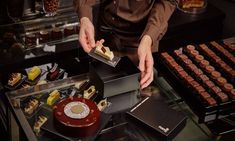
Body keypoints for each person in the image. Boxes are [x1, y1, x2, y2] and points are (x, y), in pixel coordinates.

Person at [74, 0, 178, 89]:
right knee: (100, 90)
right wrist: (85, 18)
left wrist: (148, 38)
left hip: (140, 42)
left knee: (134, 97)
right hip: (104, 35)